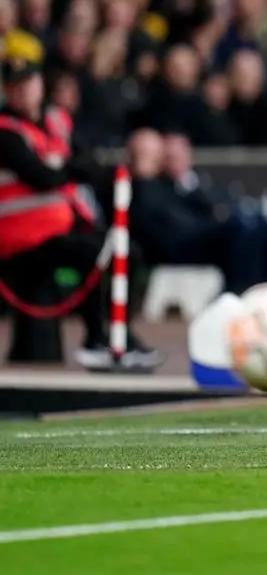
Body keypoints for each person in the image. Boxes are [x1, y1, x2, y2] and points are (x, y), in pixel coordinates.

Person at [0, 49, 162, 371]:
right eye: (15, 85)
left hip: (61, 230)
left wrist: (65, 165)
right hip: (21, 241)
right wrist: (65, 167)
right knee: (97, 254)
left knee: (127, 252)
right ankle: (99, 337)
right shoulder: (6, 131)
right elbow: (42, 176)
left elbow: (87, 164)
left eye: (29, 82)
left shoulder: (57, 121)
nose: (24, 91)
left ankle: (116, 334)